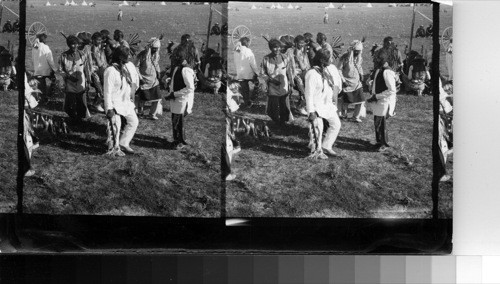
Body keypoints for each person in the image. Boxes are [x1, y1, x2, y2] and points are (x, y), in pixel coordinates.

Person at [304, 48, 342, 157]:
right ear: (322, 60)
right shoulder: (311, 73)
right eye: (329, 59)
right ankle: (317, 151)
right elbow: (309, 94)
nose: (331, 60)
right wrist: (311, 111)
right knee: (318, 129)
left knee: (336, 124)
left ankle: (326, 146)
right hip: (316, 107)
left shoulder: (324, 70)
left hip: (326, 105)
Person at [103, 46, 140, 155]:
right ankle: (114, 149)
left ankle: (124, 143)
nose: (129, 56)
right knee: (116, 127)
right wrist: (109, 108)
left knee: (134, 122)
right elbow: (107, 91)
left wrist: (131, 100)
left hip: (125, 102)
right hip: (114, 104)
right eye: (127, 55)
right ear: (120, 57)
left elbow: (128, 85)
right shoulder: (110, 71)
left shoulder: (123, 68)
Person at [164, 52, 196, 150]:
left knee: (178, 121)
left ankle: (180, 141)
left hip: (182, 100)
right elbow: (178, 80)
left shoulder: (186, 70)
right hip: (176, 100)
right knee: (175, 120)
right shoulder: (178, 68)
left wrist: (175, 94)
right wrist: (170, 81)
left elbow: (190, 88)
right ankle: (177, 140)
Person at [59, 35, 92, 123]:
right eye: (72, 44)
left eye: (76, 44)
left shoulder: (82, 55)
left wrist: (88, 81)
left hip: (81, 83)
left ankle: (80, 120)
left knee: (81, 103)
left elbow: (86, 69)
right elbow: (60, 70)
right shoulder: (64, 56)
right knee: (70, 104)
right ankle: (73, 118)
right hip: (70, 85)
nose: (74, 46)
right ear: (68, 45)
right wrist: (68, 77)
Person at [260, 38, 293, 125]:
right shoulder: (266, 59)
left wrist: (291, 83)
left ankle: (283, 122)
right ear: (271, 48)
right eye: (275, 47)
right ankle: (275, 121)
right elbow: (262, 73)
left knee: (283, 104)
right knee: (273, 105)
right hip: (272, 87)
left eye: (279, 47)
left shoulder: (285, 58)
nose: (277, 49)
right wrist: (271, 80)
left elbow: (289, 71)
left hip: (283, 85)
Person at [367, 60, 398, 151]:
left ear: (384, 62)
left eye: (377, 60)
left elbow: (392, 90)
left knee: (381, 123)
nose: (375, 62)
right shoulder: (379, 70)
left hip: (384, 101)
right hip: (378, 100)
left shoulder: (387, 72)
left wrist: (377, 96)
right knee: (377, 121)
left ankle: (384, 143)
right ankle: (379, 141)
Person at [337, 40, 366, 122]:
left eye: (359, 51)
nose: (357, 53)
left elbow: (359, 66)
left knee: (360, 100)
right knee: (346, 101)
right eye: (356, 51)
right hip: (347, 83)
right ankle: (344, 115)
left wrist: (361, 74)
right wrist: (343, 81)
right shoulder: (345, 57)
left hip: (357, 83)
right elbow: (338, 70)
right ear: (352, 50)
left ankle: (356, 116)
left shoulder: (359, 58)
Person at [135, 37, 162, 120]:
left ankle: (152, 114)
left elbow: (156, 64)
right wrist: (140, 78)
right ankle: (140, 112)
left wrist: (158, 72)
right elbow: (136, 67)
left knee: (157, 98)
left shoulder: (156, 55)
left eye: (157, 49)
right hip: (144, 80)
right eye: (154, 48)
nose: (155, 50)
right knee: (143, 99)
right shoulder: (142, 55)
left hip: (154, 81)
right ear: (150, 47)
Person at [233, 37, 259, 106]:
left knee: (244, 89)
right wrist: (257, 73)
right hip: (248, 73)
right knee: (257, 83)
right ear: (247, 43)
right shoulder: (248, 51)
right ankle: (253, 99)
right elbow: (253, 63)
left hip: (240, 73)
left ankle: (247, 102)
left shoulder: (236, 51)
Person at [288, 35, 310, 115]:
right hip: (295, 74)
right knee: (303, 90)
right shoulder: (290, 51)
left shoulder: (303, 50)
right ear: (296, 43)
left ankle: (301, 105)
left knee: (307, 89)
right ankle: (299, 106)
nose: (301, 45)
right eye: (300, 43)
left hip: (303, 73)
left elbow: (306, 63)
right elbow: (290, 65)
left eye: (303, 43)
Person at [32, 33, 57, 103]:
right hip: (45, 70)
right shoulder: (45, 47)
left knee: (41, 85)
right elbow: (50, 60)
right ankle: (50, 95)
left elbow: (32, 58)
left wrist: (35, 67)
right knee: (54, 80)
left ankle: (41, 98)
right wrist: (54, 69)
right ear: (44, 39)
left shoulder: (34, 47)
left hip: (37, 70)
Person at [89, 32, 109, 111]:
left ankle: (96, 103)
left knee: (103, 88)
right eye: (97, 40)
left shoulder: (100, 48)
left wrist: (106, 67)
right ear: (93, 40)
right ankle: (96, 104)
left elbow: (104, 59)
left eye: (100, 40)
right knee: (100, 89)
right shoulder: (92, 49)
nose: (99, 41)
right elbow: (99, 63)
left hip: (102, 70)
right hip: (95, 71)